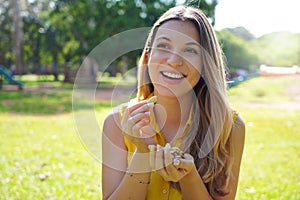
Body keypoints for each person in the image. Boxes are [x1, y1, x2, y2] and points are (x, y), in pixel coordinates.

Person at [101, 5, 245, 200]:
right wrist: (142, 155)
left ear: (205, 64)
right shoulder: (116, 123)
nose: (174, 60)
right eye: (163, 46)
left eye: (190, 50)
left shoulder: (230, 126)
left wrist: (189, 177)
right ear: (147, 57)